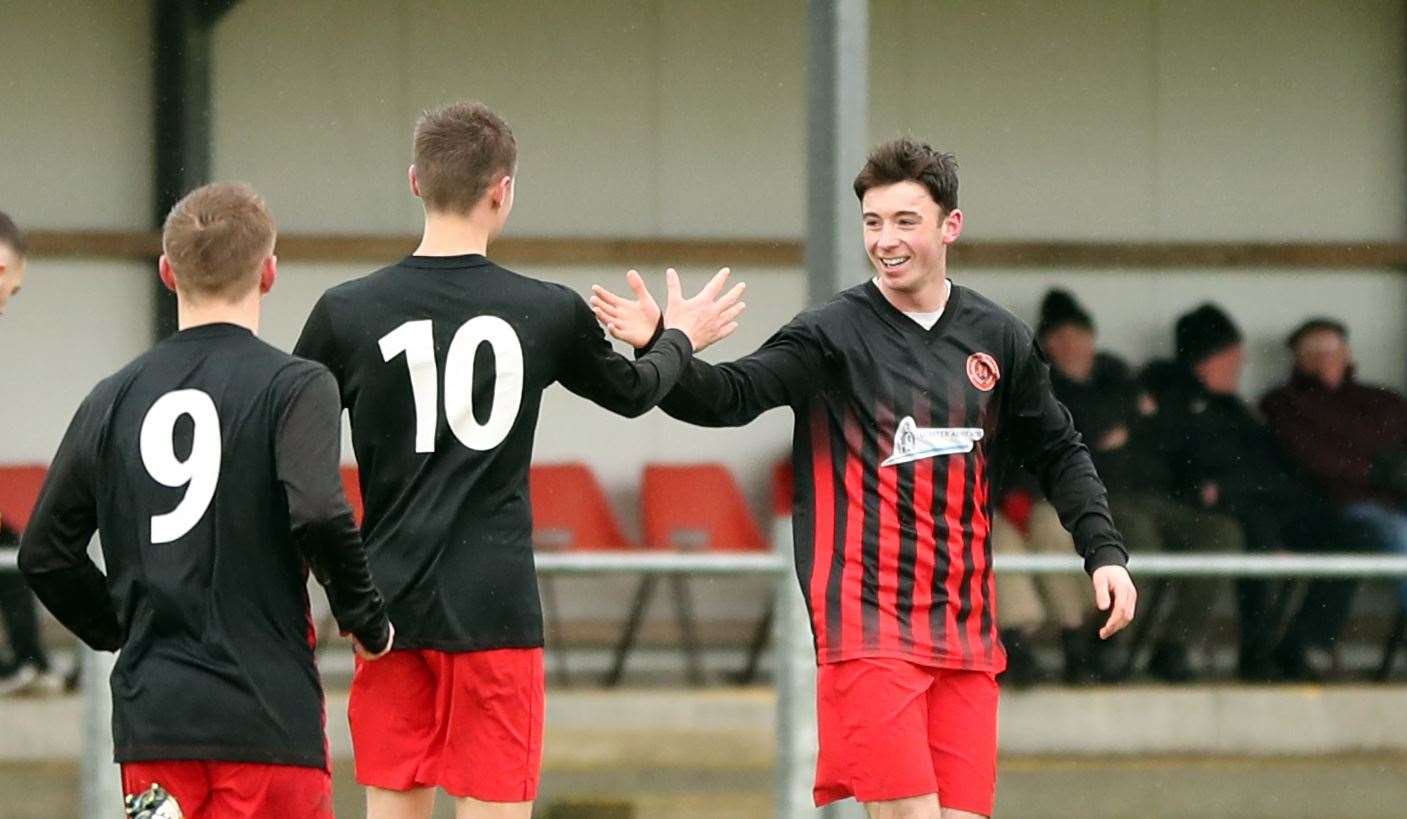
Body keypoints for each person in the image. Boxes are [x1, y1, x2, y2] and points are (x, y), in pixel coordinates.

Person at [592, 138, 1135, 819]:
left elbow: (1059, 448)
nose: (885, 240)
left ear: (950, 226)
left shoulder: (997, 336)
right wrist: (662, 344)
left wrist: (1103, 551)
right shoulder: (830, 334)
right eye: (872, 222)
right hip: (868, 624)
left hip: (965, 628)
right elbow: (724, 398)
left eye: (905, 221)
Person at [292, 101, 743, 819]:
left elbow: (293, 466)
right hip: (495, 606)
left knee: (391, 806)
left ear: (415, 182)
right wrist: (674, 335)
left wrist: (329, 589)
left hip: (386, 609)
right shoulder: (543, 310)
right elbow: (634, 393)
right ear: (502, 190)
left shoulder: (346, 312)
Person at [19, 183, 394, 818]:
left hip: (155, 722)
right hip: (267, 717)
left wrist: (120, 627)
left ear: (167, 273)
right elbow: (319, 511)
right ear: (269, 272)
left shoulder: (112, 396)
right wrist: (367, 621)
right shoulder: (297, 386)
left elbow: (44, 552)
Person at [1032, 290, 1244, 682]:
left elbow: (1159, 434)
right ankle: (1106, 642)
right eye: (1061, 338)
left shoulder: (1121, 377)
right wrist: (1119, 426)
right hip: (1103, 498)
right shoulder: (1045, 388)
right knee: (1139, 543)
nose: (1073, 346)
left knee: (1220, 534)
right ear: (1048, 345)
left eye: (1080, 335)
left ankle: (1175, 646)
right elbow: (1072, 444)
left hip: (1156, 493)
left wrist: (1127, 426)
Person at [1143, 304, 1347, 681]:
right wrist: (1228, 489)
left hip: (1265, 503)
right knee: (1251, 535)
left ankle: (1300, 643)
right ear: (1206, 361)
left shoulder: (1237, 410)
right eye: (1232, 356)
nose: (1242, 362)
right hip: (1224, 510)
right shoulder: (1175, 404)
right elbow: (1189, 470)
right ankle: (1256, 652)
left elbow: (1273, 470)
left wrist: (1245, 488)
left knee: (1343, 533)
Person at [1262, 318, 1407, 649]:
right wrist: (1376, 469)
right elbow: (1313, 458)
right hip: (1339, 508)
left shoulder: (1382, 400)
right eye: (1315, 351)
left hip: (1396, 500)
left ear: (1348, 352)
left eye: (1332, 349)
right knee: (1402, 537)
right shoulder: (1286, 403)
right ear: (1298, 359)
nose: (1326, 358)